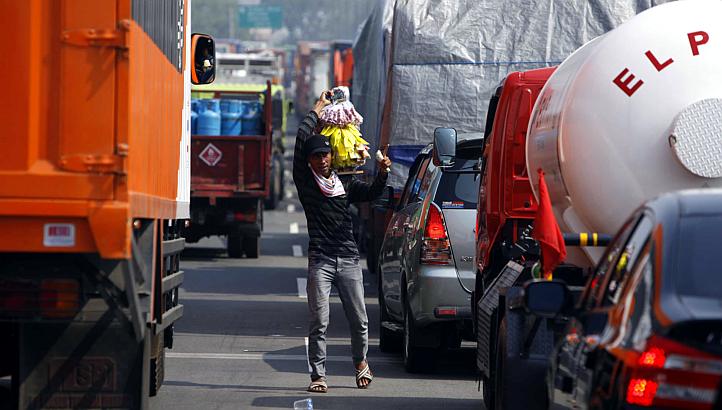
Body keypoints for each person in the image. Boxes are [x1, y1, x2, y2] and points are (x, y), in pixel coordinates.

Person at [293, 90, 392, 393]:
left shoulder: (344, 183)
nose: (322, 161)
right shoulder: (307, 184)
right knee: (318, 323)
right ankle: (317, 376)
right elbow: (300, 138)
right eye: (316, 156)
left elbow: (373, 193)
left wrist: (384, 173)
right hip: (320, 260)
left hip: (348, 259)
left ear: (331, 156)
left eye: (325, 155)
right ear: (309, 161)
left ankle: (360, 361)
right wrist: (317, 108)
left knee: (359, 320)